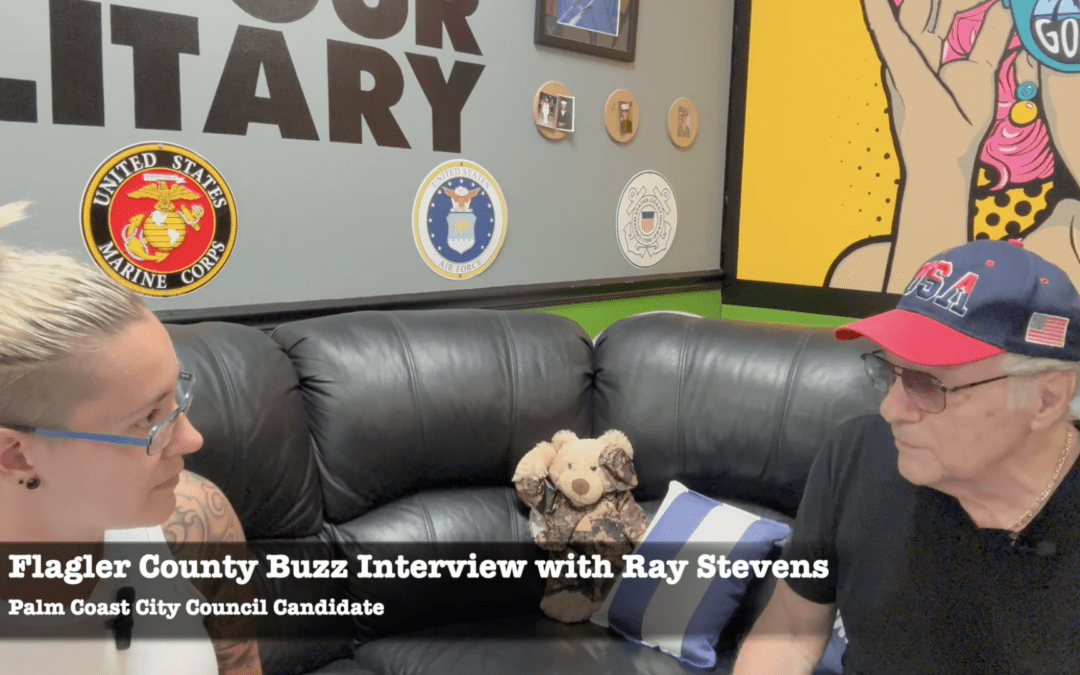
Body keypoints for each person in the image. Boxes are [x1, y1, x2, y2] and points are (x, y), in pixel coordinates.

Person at [733, 238, 1080, 673]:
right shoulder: (854, 456)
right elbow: (790, 629)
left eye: (928, 384)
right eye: (890, 371)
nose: (890, 409)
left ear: (1046, 400)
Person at [0, 201, 262, 674]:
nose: (193, 439)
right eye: (148, 420)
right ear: (16, 455)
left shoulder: (196, 520)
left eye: (176, 398)